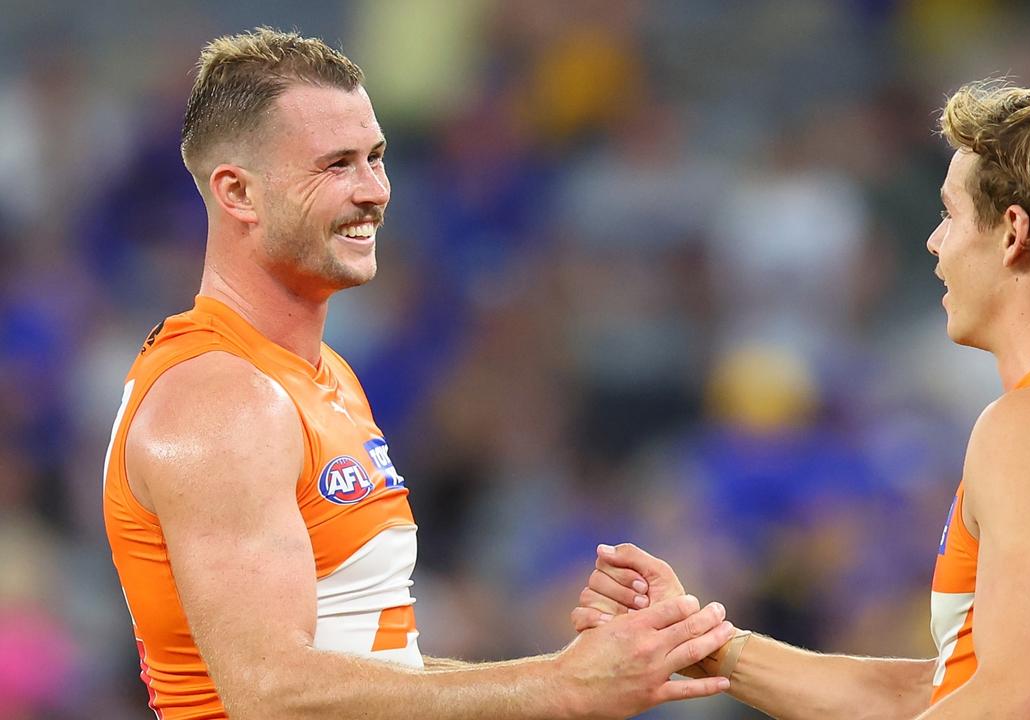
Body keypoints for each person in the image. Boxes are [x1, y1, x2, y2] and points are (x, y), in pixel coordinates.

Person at [102, 27, 736, 720]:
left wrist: (566, 672)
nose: (374, 192)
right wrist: (558, 689)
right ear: (237, 193)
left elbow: (375, 667)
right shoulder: (222, 399)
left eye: (376, 158)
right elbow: (272, 693)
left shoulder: (324, 375)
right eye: (335, 165)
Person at [573, 75, 1030, 719]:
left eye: (951, 214)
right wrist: (713, 649)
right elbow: (950, 694)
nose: (935, 243)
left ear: (1012, 232)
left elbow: (1018, 703)